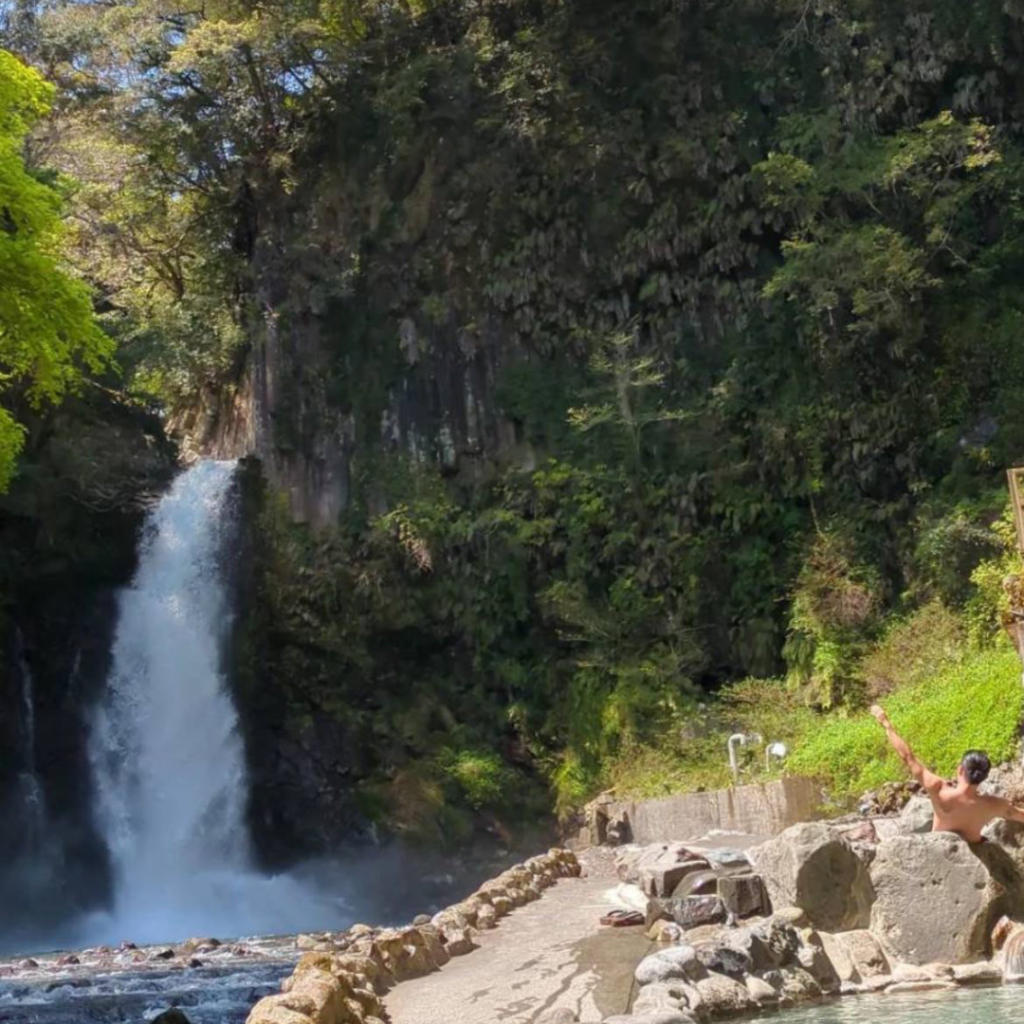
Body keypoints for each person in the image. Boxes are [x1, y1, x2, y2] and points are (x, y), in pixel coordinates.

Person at [869, 704, 1024, 842]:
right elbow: (1020, 815)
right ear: (983, 777)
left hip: (940, 848)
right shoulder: (993, 805)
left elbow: (908, 758)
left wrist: (886, 723)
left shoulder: (940, 791)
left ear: (960, 769)